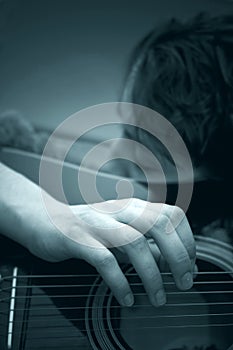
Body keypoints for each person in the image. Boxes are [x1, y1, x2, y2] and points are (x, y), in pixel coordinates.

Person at [1, 12, 232, 309]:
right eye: (126, 130)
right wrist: (39, 214)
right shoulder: (34, 157)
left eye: (142, 142)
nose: (115, 155)